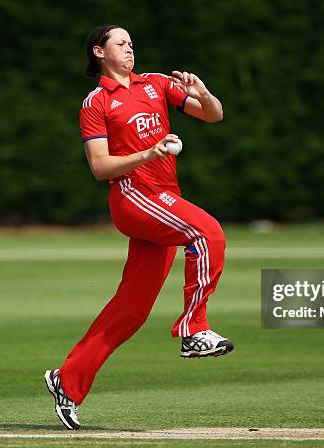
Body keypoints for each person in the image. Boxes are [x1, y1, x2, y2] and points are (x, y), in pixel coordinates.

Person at [44, 25, 233, 430]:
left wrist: (203, 92)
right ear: (99, 51)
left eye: (131, 43)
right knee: (208, 232)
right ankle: (193, 330)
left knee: (131, 311)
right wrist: (148, 152)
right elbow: (99, 167)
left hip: (163, 197)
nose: (130, 48)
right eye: (120, 43)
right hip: (132, 196)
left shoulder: (156, 84)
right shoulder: (96, 102)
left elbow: (214, 115)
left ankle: (67, 381)